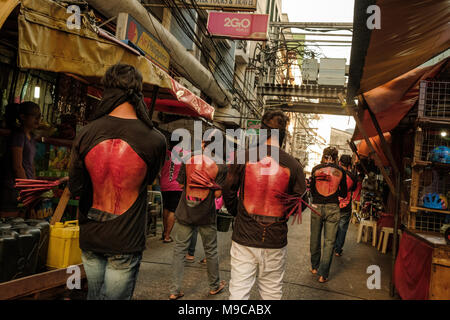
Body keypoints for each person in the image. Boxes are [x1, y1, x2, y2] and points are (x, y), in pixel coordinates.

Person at [68, 64, 166, 300]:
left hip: (91, 233)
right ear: (138, 91)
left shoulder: (86, 132)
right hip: (126, 238)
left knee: (94, 296)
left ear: (106, 90)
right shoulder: (155, 140)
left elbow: (75, 186)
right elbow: (149, 179)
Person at [223, 110, 306, 300]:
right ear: (283, 136)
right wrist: (280, 211)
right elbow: (299, 204)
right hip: (274, 240)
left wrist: (238, 212)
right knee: (271, 294)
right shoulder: (293, 165)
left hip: (244, 237)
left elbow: (228, 190)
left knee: (238, 293)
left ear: (262, 132)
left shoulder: (243, 156)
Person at [169, 139, 227, 300]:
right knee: (211, 250)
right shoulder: (221, 166)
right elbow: (217, 194)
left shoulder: (188, 159)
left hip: (185, 211)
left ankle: (174, 290)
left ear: (203, 144)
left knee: (179, 250)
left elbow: (181, 185)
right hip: (206, 215)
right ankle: (214, 286)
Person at [309, 147, 347, 283]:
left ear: (324, 156)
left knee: (315, 238)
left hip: (317, 207)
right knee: (329, 242)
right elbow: (343, 193)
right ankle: (323, 275)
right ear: (336, 158)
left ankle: (314, 267)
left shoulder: (315, 169)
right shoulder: (341, 171)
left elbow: (312, 190)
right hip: (333, 207)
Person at [0, 102, 41, 217]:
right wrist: (27, 189)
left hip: (25, 188)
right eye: (35, 116)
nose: (38, 120)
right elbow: (17, 166)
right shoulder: (18, 136)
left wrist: (34, 187)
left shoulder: (31, 138)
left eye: (39, 116)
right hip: (13, 188)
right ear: (23, 117)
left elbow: (30, 164)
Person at [160, 141, 185, 243]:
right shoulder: (183, 153)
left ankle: (165, 232)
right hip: (176, 186)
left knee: (166, 208)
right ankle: (167, 236)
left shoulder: (164, 153)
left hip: (164, 185)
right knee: (172, 210)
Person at [334, 154, 357, 257]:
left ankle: (331, 246)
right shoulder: (353, 176)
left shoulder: (335, 173)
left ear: (339, 162)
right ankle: (338, 250)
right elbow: (353, 189)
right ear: (349, 165)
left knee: (333, 227)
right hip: (346, 205)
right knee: (342, 229)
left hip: (334, 204)